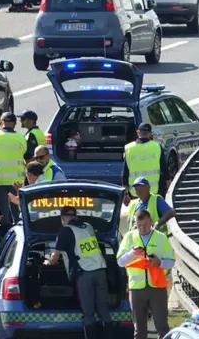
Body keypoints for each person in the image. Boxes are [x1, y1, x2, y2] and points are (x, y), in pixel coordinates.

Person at [43, 206, 113, 339]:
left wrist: (47, 262)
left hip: (85, 273)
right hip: (100, 271)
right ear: (76, 216)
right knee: (103, 309)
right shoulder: (88, 227)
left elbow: (55, 257)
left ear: (62, 219)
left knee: (88, 312)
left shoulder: (65, 231)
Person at [117, 209, 175, 339]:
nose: (142, 228)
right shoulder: (129, 237)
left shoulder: (161, 237)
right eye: (139, 225)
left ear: (150, 222)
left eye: (145, 225)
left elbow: (171, 262)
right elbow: (120, 261)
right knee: (139, 329)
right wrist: (132, 253)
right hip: (137, 288)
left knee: (162, 326)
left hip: (157, 288)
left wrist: (159, 262)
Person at [0, 112, 27, 227]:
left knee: (1, 212)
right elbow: (28, 158)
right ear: (14, 124)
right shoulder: (20, 138)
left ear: (1, 122)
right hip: (16, 182)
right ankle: (19, 232)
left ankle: (4, 234)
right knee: (17, 211)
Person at [122, 123, 171, 203]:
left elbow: (125, 172)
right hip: (153, 191)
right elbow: (164, 167)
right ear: (150, 134)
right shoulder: (157, 147)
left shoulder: (129, 148)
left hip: (135, 191)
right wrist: (168, 182)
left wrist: (125, 194)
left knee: (138, 214)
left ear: (138, 133)